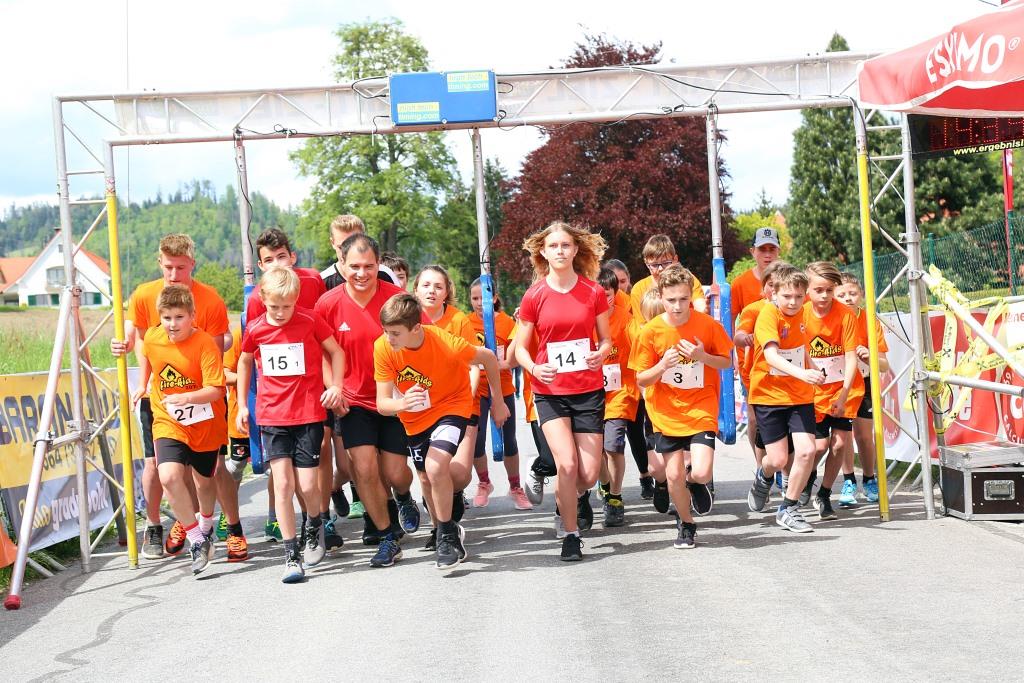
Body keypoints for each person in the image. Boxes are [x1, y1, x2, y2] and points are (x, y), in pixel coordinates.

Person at [111, 234, 233, 561]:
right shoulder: (144, 296)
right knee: (159, 468)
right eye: (168, 267)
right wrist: (142, 379)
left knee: (205, 474)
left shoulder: (210, 302)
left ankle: (205, 524)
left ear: (192, 264)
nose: (174, 274)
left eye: (180, 267)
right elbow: (139, 341)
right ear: (159, 263)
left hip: (202, 401)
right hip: (162, 400)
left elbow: (216, 350)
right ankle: (161, 527)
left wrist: (192, 393)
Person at [314, 233, 426, 567]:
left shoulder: (397, 300)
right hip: (353, 402)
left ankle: (403, 496)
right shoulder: (327, 304)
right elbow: (322, 354)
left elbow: (420, 342)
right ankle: (387, 536)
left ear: (379, 265)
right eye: (354, 266)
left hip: (393, 399)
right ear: (342, 264)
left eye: (369, 266)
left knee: (395, 472)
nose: (361, 273)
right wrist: (334, 388)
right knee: (362, 469)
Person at [374, 294, 510, 569]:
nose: (389, 338)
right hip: (414, 418)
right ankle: (444, 529)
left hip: (452, 407)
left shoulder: (447, 343)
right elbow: (382, 403)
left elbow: (488, 358)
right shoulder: (383, 347)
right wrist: (402, 404)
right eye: (386, 331)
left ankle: (446, 536)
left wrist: (498, 401)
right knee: (426, 478)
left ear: (416, 328)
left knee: (436, 468)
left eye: (395, 333)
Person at [235, 267, 346, 583]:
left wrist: (336, 386)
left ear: (296, 299)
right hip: (272, 416)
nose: (281, 313)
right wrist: (242, 404)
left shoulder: (310, 320)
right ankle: (291, 555)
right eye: (274, 306)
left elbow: (336, 351)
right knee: (282, 485)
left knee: (308, 486)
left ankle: (314, 523)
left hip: (308, 414)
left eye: (287, 306)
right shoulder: (256, 328)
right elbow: (244, 361)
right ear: (263, 300)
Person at [514, 221, 612, 561]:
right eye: (553, 246)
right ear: (543, 251)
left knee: (587, 474)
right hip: (550, 390)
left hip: (587, 390)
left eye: (565, 245)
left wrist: (601, 353)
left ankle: (569, 496)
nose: (559, 251)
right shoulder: (534, 295)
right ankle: (570, 534)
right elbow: (519, 348)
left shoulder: (593, 292)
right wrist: (533, 368)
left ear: (575, 250)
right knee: (567, 466)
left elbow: (606, 339)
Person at [632, 265, 733, 548]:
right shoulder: (650, 332)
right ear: (661, 297)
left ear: (691, 297)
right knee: (673, 474)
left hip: (701, 406)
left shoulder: (708, 326)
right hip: (666, 412)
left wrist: (702, 355)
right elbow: (641, 378)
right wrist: (662, 365)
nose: (677, 306)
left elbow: (727, 362)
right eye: (671, 300)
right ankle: (686, 524)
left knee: (700, 471)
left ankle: (695, 484)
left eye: (683, 299)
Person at [745, 268, 824, 533]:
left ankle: (788, 508)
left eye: (799, 297)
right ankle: (763, 476)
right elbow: (772, 356)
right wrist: (803, 373)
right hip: (769, 395)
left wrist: (814, 368)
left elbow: (801, 347)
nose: (793, 302)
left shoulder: (805, 313)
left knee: (807, 451)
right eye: (787, 296)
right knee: (777, 461)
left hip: (800, 395)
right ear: (774, 293)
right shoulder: (768, 315)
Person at [411, 265, 479, 547]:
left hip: (459, 405)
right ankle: (440, 529)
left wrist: (465, 399)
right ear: (416, 289)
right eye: (426, 285)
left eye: (438, 286)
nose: (432, 291)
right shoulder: (409, 320)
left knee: (459, 475)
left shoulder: (458, 320)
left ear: (447, 292)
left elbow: (474, 364)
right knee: (427, 474)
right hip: (422, 410)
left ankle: (451, 492)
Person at [800, 262, 862, 520]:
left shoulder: (845, 315)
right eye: (818, 290)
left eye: (829, 290)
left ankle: (824, 494)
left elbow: (851, 357)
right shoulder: (801, 314)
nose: (824, 296)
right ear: (807, 290)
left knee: (839, 444)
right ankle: (807, 476)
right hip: (813, 392)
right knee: (818, 446)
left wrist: (844, 395)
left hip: (843, 389)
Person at [467, 278, 532, 511]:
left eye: (483, 298)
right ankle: (484, 482)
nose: (479, 303)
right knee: (476, 441)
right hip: (477, 389)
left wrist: (499, 364)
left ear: (494, 298)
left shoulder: (506, 322)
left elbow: (514, 359)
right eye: (474, 298)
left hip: (502, 389)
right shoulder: (466, 322)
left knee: (509, 440)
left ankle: (515, 486)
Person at [734, 261, 796, 470]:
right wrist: (746, 338)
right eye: (770, 284)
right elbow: (738, 336)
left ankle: (784, 473)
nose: (774, 288)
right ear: (764, 288)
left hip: (789, 376)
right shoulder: (754, 309)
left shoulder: (797, 308)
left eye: (779, 283)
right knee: (757, 423)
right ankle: (762, 469)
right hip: (756, 375)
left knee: (788, 425)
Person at [593, 266, 639, 527]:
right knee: (596, 450)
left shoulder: (626, 319)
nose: (603, 301)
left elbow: (642, 343)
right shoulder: (583, 320)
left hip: (620, 392)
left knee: (613, 445)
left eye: (608, 296)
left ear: (616, 293)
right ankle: (604, 482)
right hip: (590, 394)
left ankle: (615, 497)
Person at [834, 273, 887, 505]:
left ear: (862, 295)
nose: (848, 298)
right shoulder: (831, 318)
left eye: (852, 293)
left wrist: (870, 355)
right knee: (843, 436)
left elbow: (884, 365)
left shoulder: (870, 321)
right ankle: (848, 481)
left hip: (864, 382)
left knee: (864, 436)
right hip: (839, 384)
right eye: (841, 295)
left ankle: (869, 478)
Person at [630, 234, 707, 320]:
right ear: (646, 264)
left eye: (665, 263)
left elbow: (700, 306)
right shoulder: (639, 289)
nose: (660, 269)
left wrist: (705, 309)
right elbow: (641, 324)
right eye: (654, 265)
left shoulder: (687, 279)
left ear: (675, 260)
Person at [321, 215, 398, 289]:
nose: (348, 253)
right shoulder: (323, 281)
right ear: (332, 243)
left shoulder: (385, 274)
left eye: (355, 246)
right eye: (341, 247)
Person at [731, 227, 782, 322]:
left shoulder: (790, 280)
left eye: (772, 249)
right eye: (762, 249)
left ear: (779, 251)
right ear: (752, 251)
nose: (767, 255)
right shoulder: (739, 283)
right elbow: (730, 320)